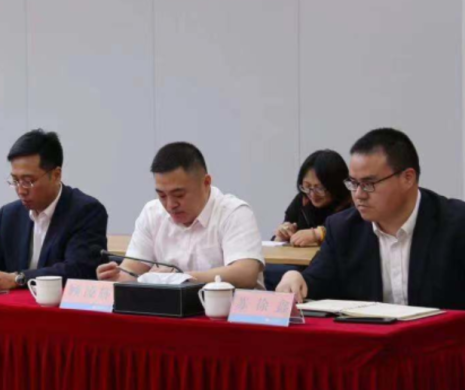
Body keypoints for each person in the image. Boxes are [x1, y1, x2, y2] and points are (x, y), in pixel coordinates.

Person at [276, 128, 465, 309]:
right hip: (370, 332)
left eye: (368, 184)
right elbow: (317, 282)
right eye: (353, 183)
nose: (358, 195)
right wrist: (295, 278)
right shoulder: (343, 229)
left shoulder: (457, 224)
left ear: (407, 178)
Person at [0, 129, 108, 290]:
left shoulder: (86, 211)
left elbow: (78, 269)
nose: (20, 190)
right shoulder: (10, 214)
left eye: (28, 181)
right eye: (15, 180)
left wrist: (18, 279)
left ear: (56, 175)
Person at [96, 142, 264, 288]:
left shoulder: (233, 212)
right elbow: (131, 270)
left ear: (206, 183)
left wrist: (180, 278)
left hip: (229, 311)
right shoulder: (152, 213)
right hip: (170, 310)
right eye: (162, 195)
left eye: (179, 195)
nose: (170, 205)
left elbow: (245, 273)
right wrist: (117, 278)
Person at [272, 150, 352, 247]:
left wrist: (319, 234)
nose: (313, 194)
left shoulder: (352, 204)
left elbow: (353, 234)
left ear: (336, 185)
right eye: (307, 186)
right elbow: (283, 232)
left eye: (320, 188)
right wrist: (281, 237)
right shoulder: (303, 199)